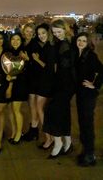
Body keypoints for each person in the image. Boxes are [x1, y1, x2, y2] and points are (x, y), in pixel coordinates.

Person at [43, 19, 75, 159]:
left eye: (59, 31)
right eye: (54, 32)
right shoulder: (61, 43)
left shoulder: (66, 45)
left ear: (65, 29)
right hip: (61, 83)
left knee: (53, 112)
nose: (56, 34)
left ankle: (58, 142)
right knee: (63, 112)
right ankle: (67, 141)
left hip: (65, 85)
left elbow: (66, 67)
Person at [75, 32, 103, 166]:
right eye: (79, 40)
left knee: (87, 124)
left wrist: (95, 85)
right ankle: (86, 151)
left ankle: (90, 154)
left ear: (88, 43)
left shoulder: (90, 56)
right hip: (81, 94)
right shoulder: (78, 55)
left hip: (88, 95)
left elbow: (102, 70)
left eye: (84, 41)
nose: (80, 43)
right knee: (83, 123)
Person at [30, 23, 56, 149]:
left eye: (43, 33)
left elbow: (49, 67)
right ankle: (49, 137)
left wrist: (36, 59)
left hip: (47, 82)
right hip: (43, 81)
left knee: (40, 109)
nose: (41, 36)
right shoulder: (46, 46)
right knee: (40, 108)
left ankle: (49, 138)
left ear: (48, 33)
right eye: (39, 34)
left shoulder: (50, 47)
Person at [6, 32, 28, 145]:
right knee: (10, 110)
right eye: (13, 39)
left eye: (18, 40)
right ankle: (14, 132)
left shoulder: (23, 53)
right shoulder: (9, 53)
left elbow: (25, 71)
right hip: (11, 84)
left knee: (16, 110)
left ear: (21, 41)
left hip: (19, 85)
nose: (15, 42)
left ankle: (19, 133)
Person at [21, 23, 40, 141]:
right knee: (31, 104)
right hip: (27, 78)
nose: (28, 33)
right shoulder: (25, 44)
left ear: (33, 33)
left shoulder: (34, 45)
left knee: (33, 105)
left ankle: (34, 130)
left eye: (30, 31)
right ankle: (33, 128)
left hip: (33, 78)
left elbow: (37, 63)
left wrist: (27, 59)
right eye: (26, 31)